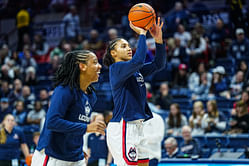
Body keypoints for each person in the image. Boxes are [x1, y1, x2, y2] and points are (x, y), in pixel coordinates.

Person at [104, 17, 165, 166]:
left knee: (144, 164)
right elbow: (138, 60)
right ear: (113, 53)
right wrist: (142, 34)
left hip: (138, 126)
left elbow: (159, 64)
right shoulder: (116, 69)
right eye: (123, 46)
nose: (129, 48)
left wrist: (159, 40)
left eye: (129, 46)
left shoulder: (136, 71)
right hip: (123, 125)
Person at [31, 50, 106, 166]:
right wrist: (87, 128)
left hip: (76, 157)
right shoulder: (64, 90)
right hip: (52, 156)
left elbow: (76, 123)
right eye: (95, 62)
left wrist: (78, 148)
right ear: (82, 66)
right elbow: (52, 122)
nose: (100, 66)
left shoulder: (91, 96)